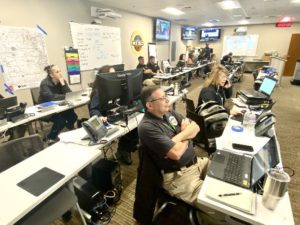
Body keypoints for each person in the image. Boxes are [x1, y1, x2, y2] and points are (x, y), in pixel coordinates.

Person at [138, 85, 210, 207]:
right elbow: (176, 153)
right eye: (162, 98)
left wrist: (178, 138)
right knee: (216, 203)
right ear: (149, 105)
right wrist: (187, 135)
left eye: (166, 96)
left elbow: (196, 127)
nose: (167, 100)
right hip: (180, 176)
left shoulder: (168, 112)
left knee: (225, 175)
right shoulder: (147, 127)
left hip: (197, 162)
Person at [89, 65, 139, 165]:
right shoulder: (98, 92)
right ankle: (124, 150)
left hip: (118, 115)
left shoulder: (117, 87)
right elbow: (93, 109)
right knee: (130, 130)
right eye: (111, 74)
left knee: (135, 128)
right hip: (106, 120)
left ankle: (124, 149)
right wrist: (99, 116)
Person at [39, 64, 78, 145]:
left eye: (60, 71)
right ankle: (50, 137)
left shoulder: (62, 81)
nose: (60, 73)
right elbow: (51, 97)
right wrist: (65, 96)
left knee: (73, 116)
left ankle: (68, 129)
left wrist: (63, 84)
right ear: (51, 75)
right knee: (61, 121)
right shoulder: (44, 83)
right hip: (47, 108)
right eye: (57, 72)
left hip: (60, 107)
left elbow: (69, 94)